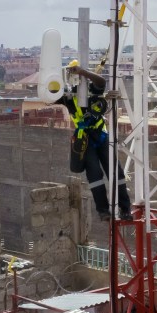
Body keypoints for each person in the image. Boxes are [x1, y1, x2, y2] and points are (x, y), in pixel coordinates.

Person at [57, 62, 132, 221]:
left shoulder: (93, 91)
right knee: (95, 175)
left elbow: (101, 82)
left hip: (101, 135)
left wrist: (84, 72)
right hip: (85, 140)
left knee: (115, 173)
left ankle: (125, 208)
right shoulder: (69, 97)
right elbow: (49, 96)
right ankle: (103, 210)